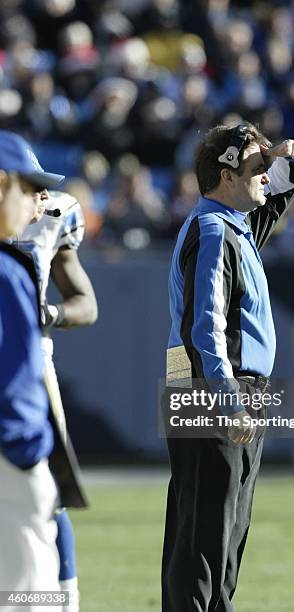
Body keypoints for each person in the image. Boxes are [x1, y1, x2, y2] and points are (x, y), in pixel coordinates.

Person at [162, 122, 294, 611]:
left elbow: (279, 195)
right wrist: (226, 400)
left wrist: (289, 159)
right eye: (256, 168)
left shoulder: (232, 226)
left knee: (225, 537)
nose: (266, 176)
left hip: (231, 387)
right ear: (226, 175)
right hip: (217, 390)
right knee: (205, 537)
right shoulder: (212, 230)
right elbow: (203, 329)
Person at [13, 187, 98, 612]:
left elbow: (85, 303)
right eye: (29, 184)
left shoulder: (54, 215)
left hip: (28, 367)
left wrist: (50, 314)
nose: (42, 195)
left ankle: (62, 602)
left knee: (46, 493)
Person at [0, 130, 65, 610]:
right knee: (30, 599)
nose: (38, 201)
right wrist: (30, 457)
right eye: (28, 188)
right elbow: (13, 381)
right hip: (9, 463)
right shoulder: (6, 270)